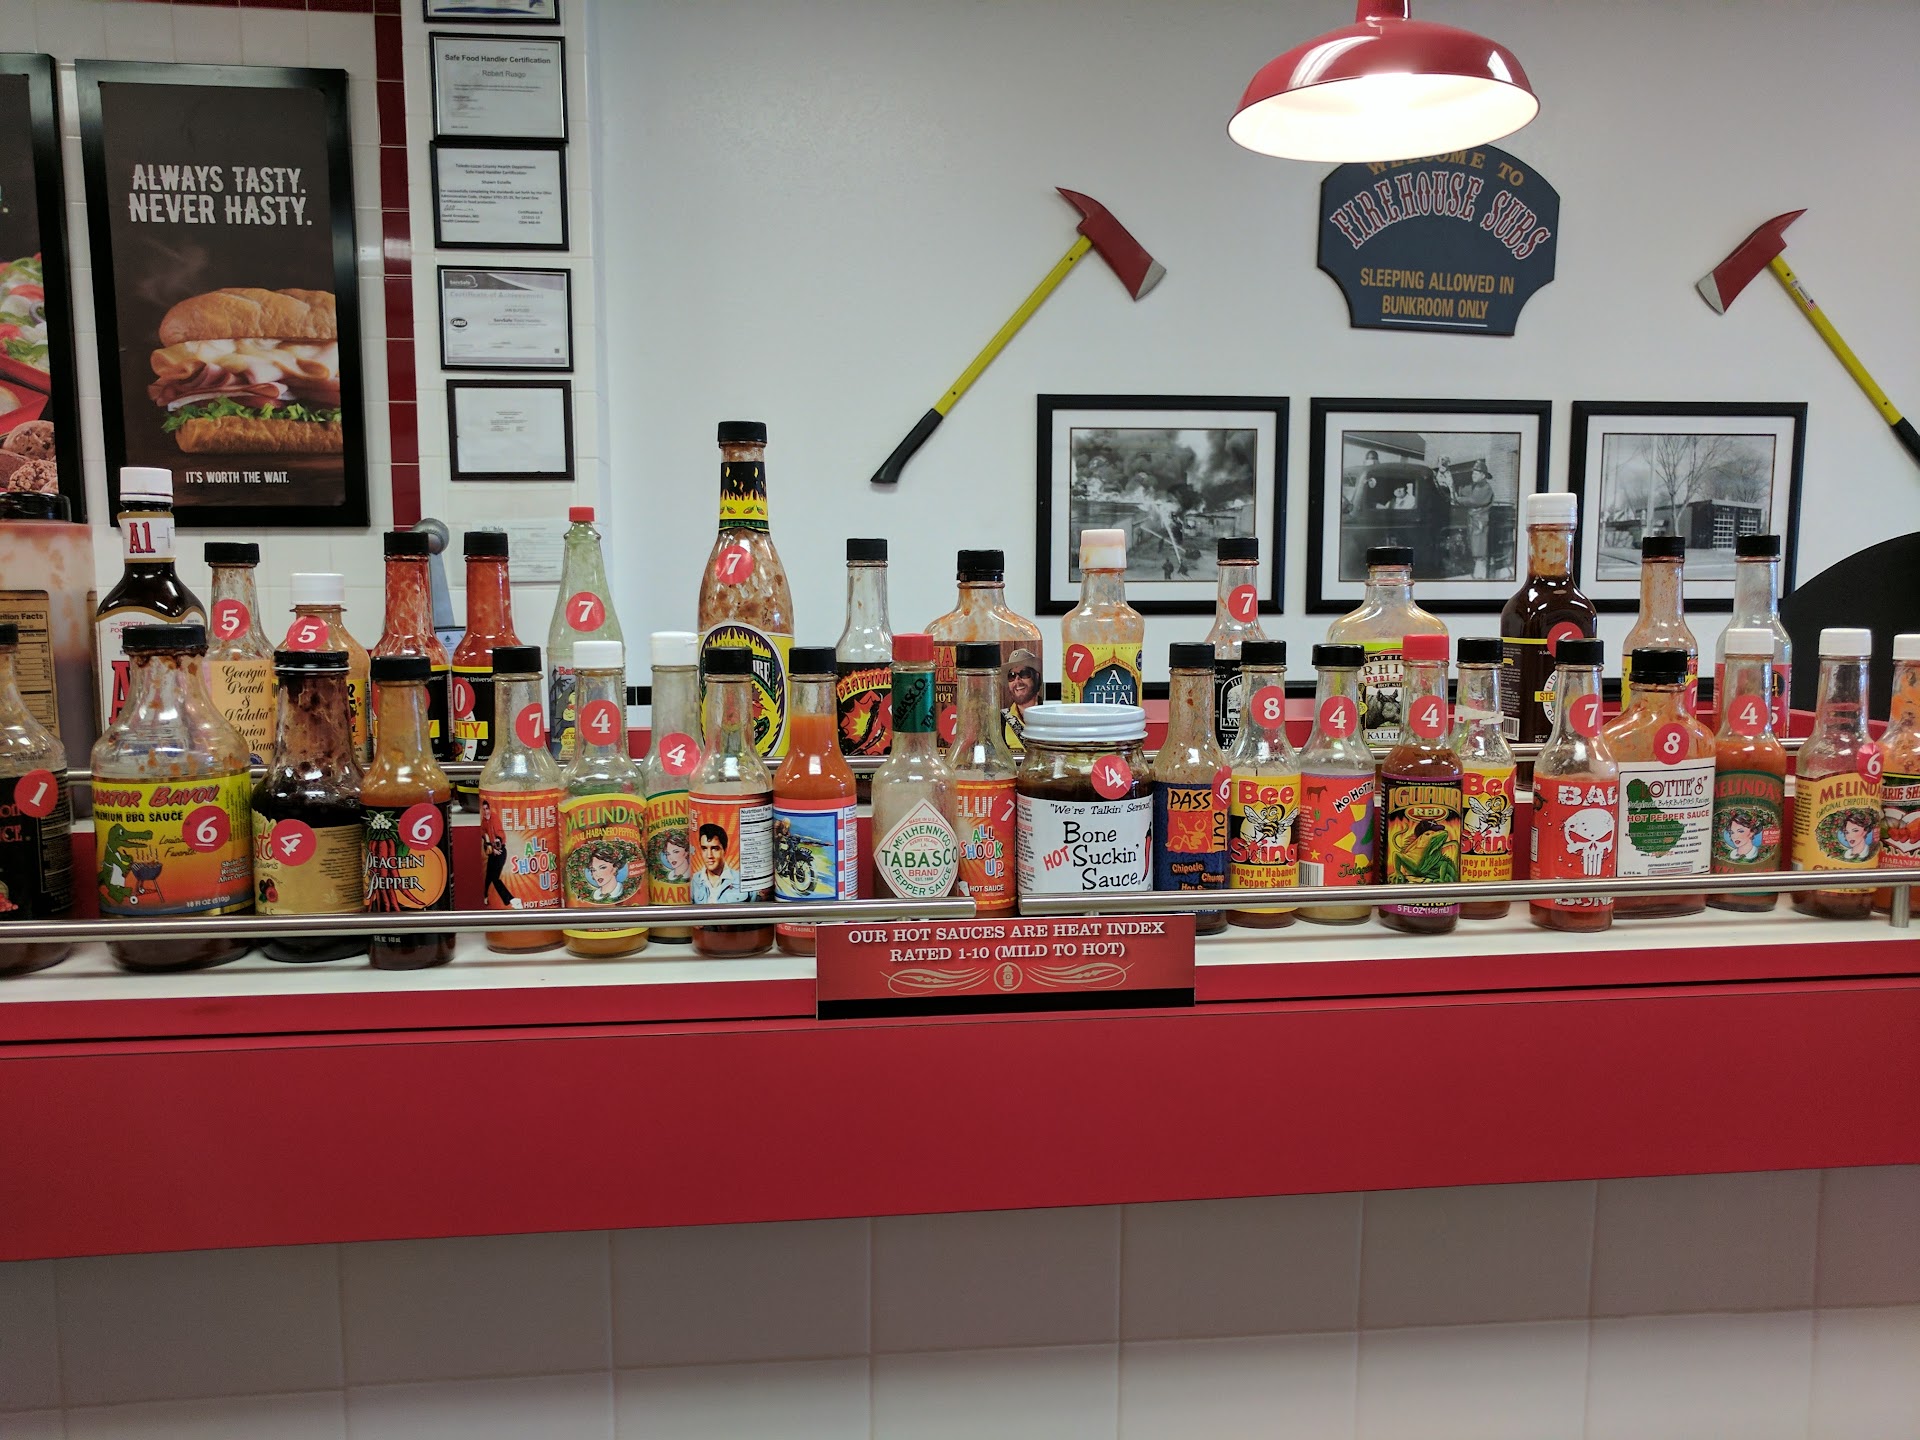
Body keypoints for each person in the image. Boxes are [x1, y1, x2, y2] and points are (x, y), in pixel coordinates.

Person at [691, 821, 745, 903]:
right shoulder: (694, 881)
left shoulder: (741, 880)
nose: (709, 855)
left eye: (715, 849)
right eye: (704, 848)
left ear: (724, 850)